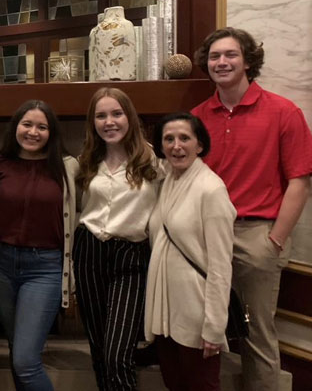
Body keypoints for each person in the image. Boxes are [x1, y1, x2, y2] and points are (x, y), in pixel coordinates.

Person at [191, 28, 312, 391]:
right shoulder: (197, 117)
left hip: (257, 234)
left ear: (247, 61)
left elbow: (300, 182)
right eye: (214, 57)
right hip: (205, 236)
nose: (222, 62)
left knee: (257, 335)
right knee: (203, 327)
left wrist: (274, 240)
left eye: (230, 55)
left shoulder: (283, 112)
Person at [74, 87, 161, 391]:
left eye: (116, 114)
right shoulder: (86, 160)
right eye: (101, 115)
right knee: (98, 350)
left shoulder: (152, 159)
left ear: (130, 117)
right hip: (89, 253)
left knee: (118, 354)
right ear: (93, 122)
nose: (109, 122)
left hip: (130, 256)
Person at [0, 99, 78, 391]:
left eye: (42, 126)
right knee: (18, 353)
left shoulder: (67, 167)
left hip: (46, 268)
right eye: (27, 124)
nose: (33, 132)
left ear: (52, 132)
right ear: (16, 126)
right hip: (3, 266)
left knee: (26, 361)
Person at [145, 112, 237, 391]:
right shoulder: (169, 180)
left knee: (202, 386)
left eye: (185, 138)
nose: (176, 146)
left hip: (197, 313)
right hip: (167, 312)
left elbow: (222, 265)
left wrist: (214, 326)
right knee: (175, 384)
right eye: (168, 139)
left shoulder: (211, 189)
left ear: (200, 145)